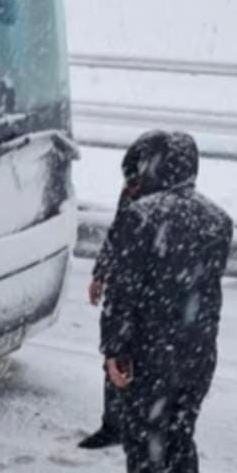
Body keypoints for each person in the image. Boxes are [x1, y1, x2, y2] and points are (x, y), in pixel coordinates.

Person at [91, 131, 232, 473]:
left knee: (145, 444)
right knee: (180, 440)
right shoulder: (218, 219)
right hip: (198, 352)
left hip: (152, 352)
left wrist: (115, 350)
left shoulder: (142, 217)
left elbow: (125, 292)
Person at [78, 132, 161, 450]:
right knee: (115, 357)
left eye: (136, 180)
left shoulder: (165, 207)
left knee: (146, 361)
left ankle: (143, 427)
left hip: (150, 296)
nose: (130, 188)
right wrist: (101, 273)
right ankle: (113, 425)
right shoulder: (131, 194)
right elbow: (116, 233)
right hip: (124, 290)